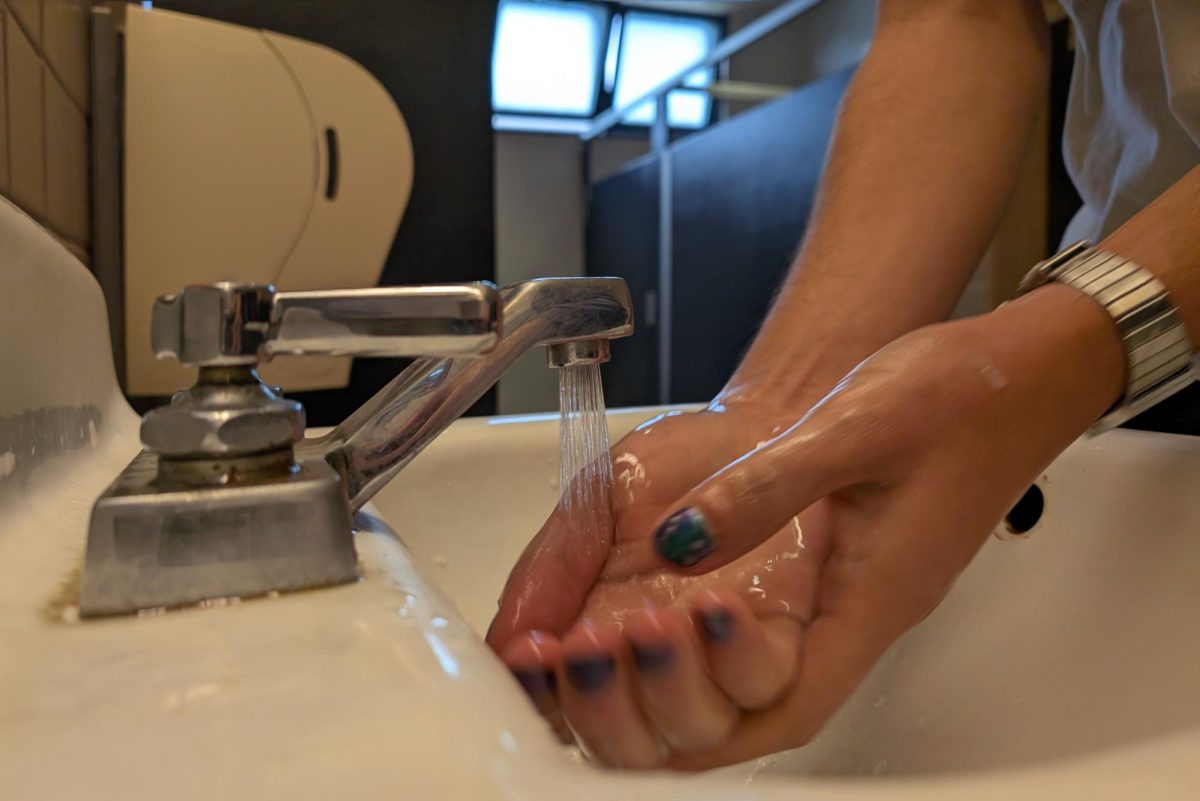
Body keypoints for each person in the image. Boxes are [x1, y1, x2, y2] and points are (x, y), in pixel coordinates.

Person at [486, 0, 1200, 770]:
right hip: (1122, 368)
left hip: (1101, 340)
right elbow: (956, 17)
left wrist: (1074, 342)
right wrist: (782, 414)